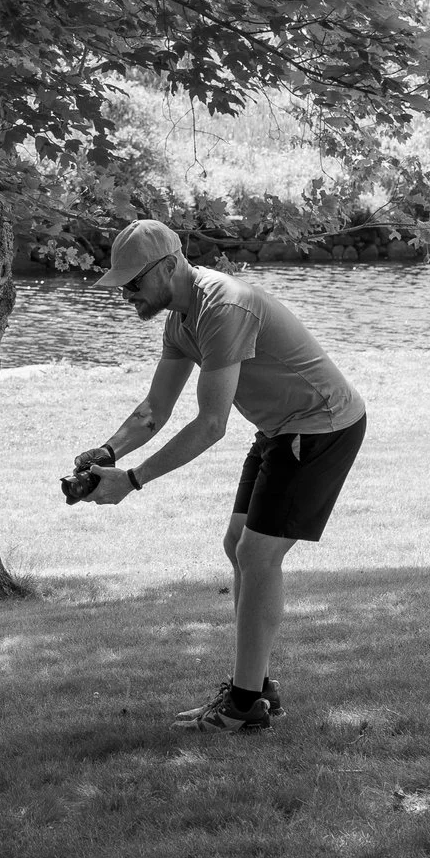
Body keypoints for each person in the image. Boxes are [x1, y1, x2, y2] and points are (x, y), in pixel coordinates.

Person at [71, 219, 367, 733]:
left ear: (168, 267)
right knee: (239, 546)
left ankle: (245, 704)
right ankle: (256, 685)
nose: (126, 296)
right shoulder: (181, 318)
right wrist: (109, 451)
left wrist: (134, 480)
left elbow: (211, 425)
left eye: (133, 283)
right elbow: (152, 411)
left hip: (321, 426)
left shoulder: (222, 308)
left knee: (258, 553)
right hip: (280, 429)